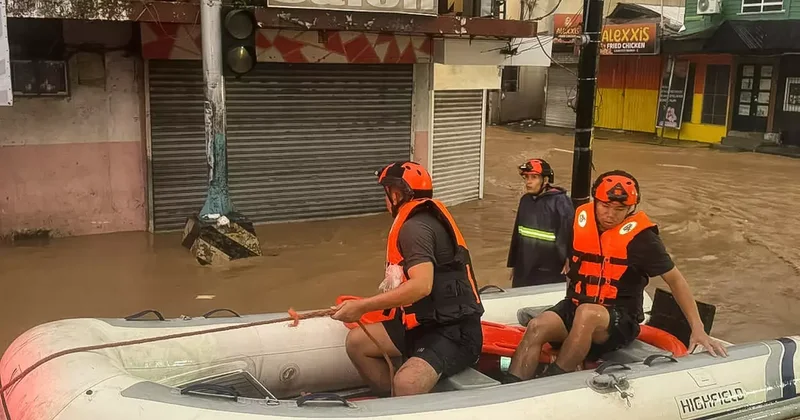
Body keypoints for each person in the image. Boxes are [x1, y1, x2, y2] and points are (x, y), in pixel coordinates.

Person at [504, 170, 727, 382]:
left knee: (587, 314)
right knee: (538, 326)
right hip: (577, 305)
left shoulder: (643, 240)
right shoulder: (580, 222)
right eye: (605, 206)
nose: (610, 214)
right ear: (595, 201)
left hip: (620, 320)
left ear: (632, 208)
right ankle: (511, 388)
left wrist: (697, 329)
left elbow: (676, 280)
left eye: (620, 209)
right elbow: (574, 269)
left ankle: (550, 383)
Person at [331, 161, 484, 396]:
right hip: (422, 324)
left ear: (395, 194)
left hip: (454, 332)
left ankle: (402, 397)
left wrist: (361, 307)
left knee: (407, 383)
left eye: (386, 194)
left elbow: (422, 286)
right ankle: (392, 403)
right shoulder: (419, 221)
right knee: (357, 343)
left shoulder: (415, 228)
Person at [507, 158, 574, 287]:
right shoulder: (525, 201)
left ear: (546, 180)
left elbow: (569, 233)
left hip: (550, 268)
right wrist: (514, 264)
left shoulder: (560, 201)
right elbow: (517, 234)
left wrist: (569, 260)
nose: (529, 182)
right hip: (524, 267)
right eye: (526, 178)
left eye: (534, 177)